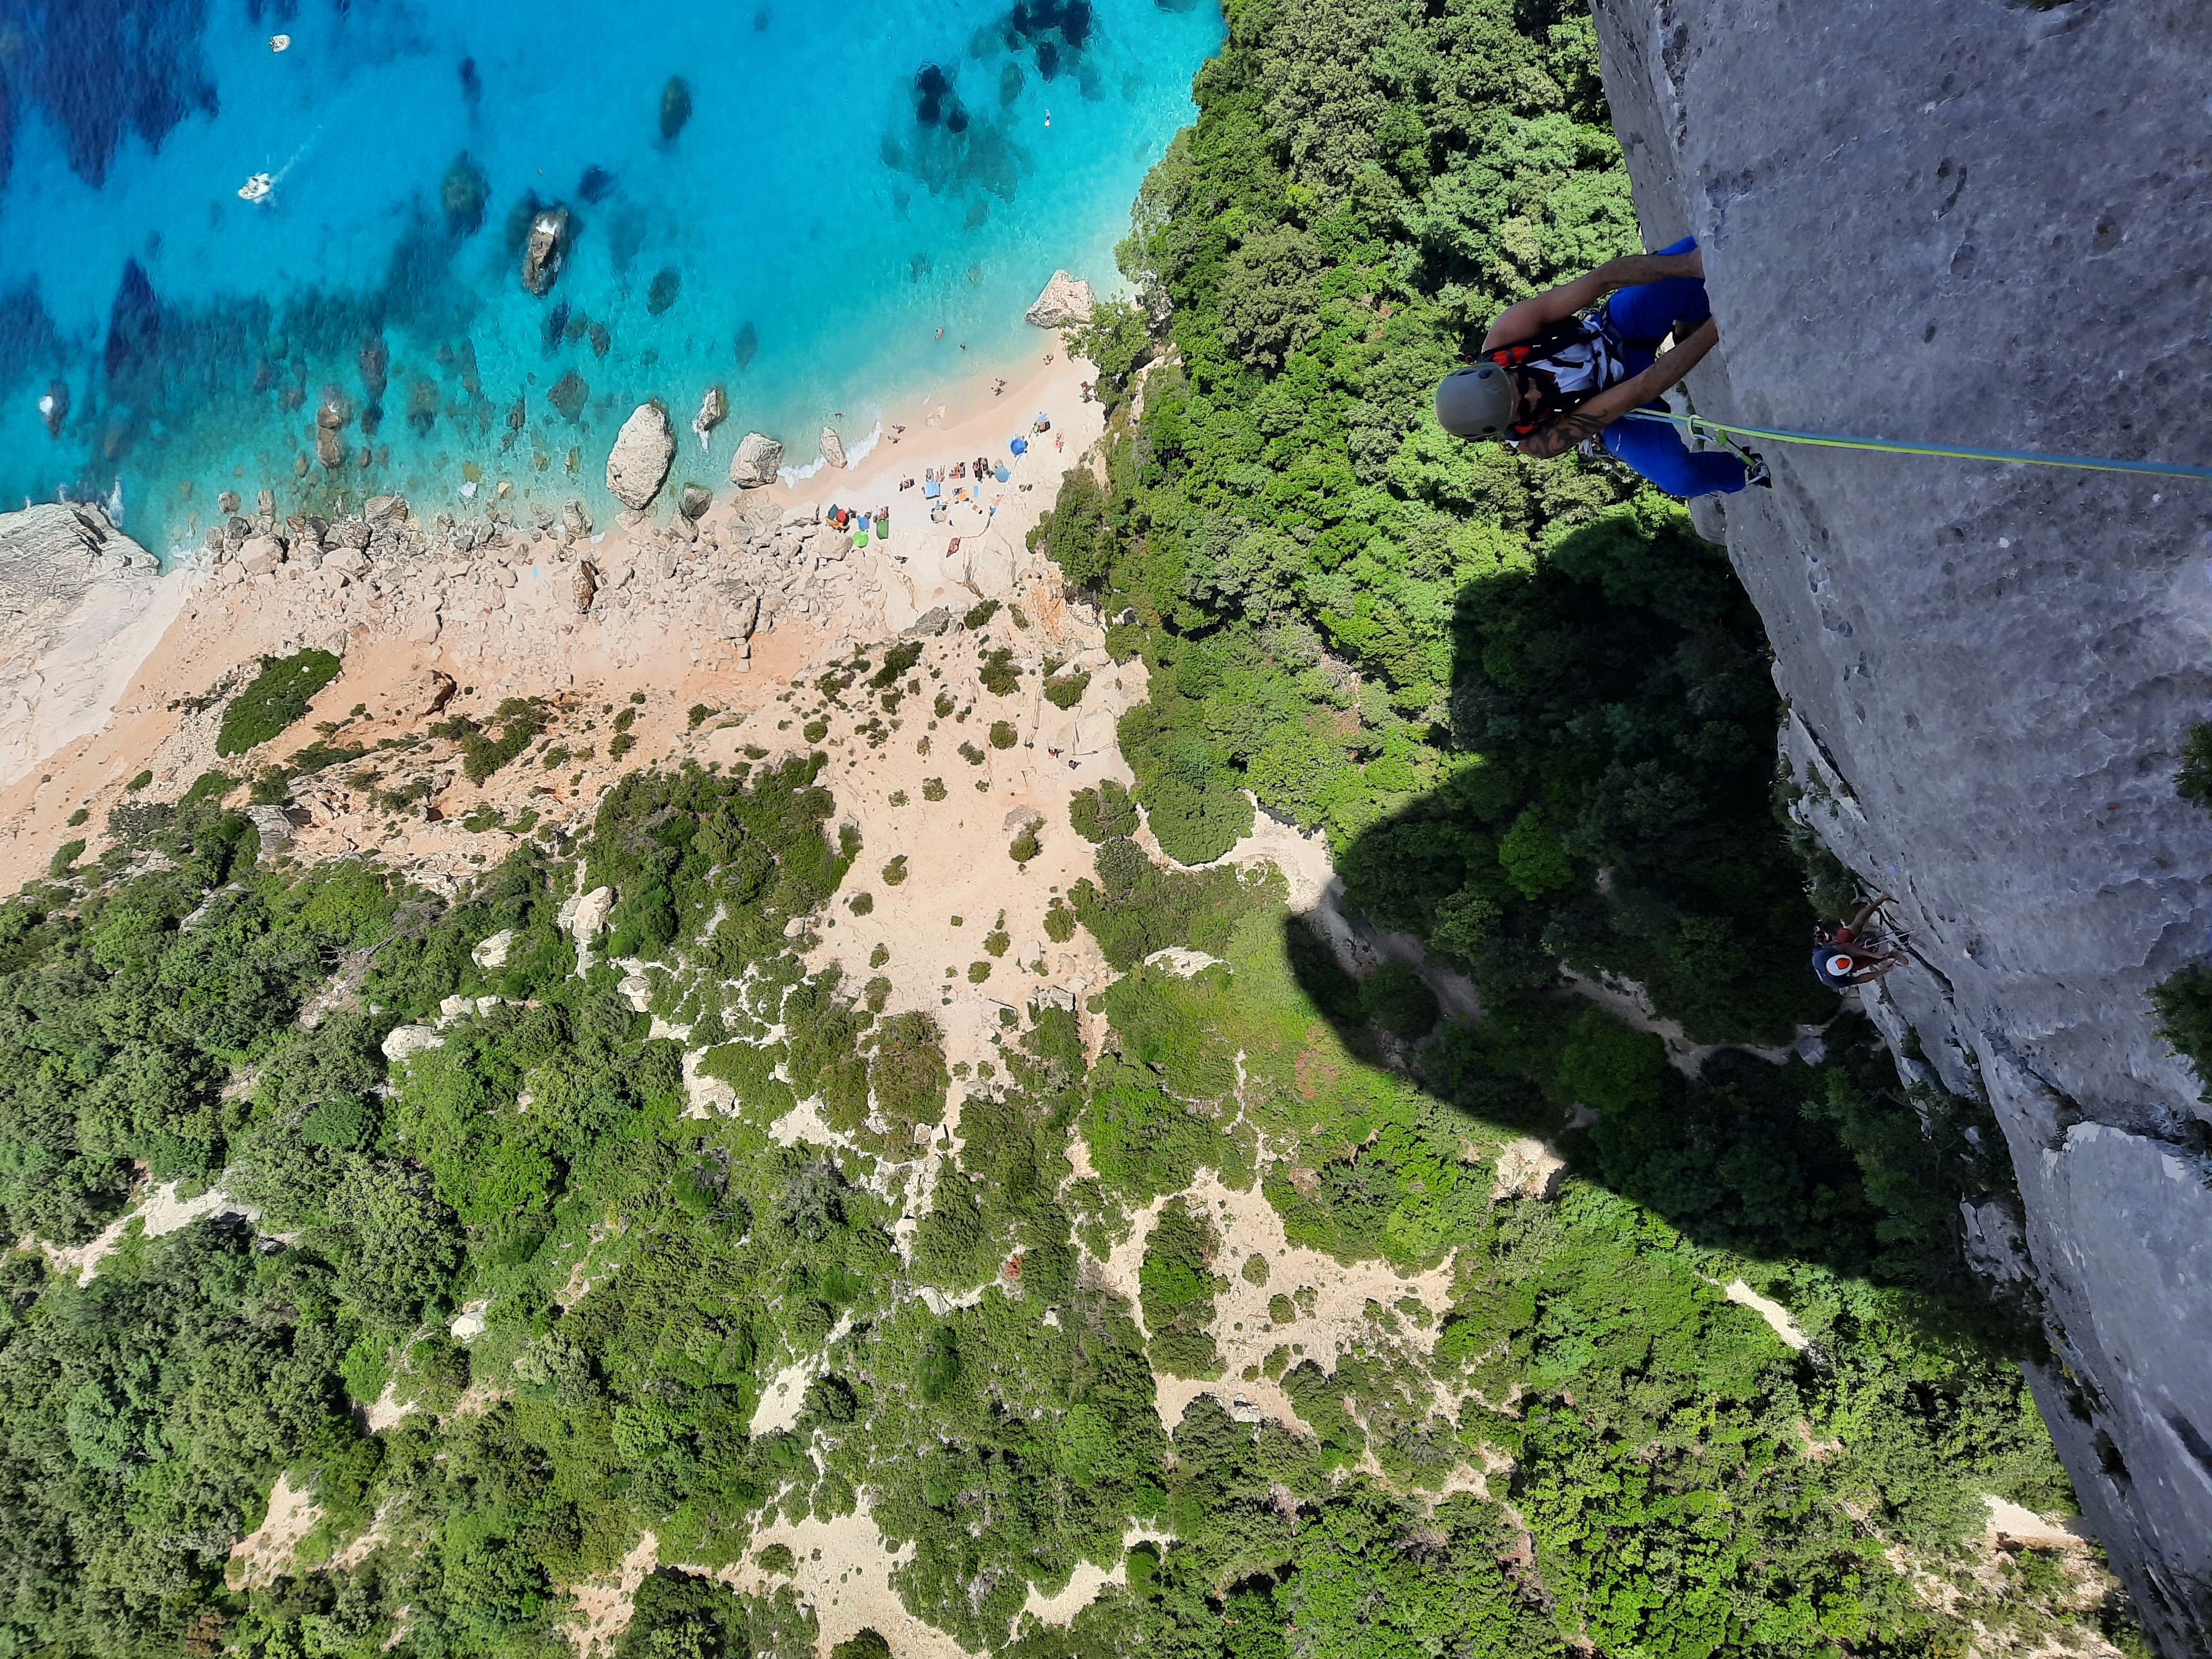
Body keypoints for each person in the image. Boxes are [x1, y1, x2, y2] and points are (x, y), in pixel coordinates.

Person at [1433, 236, 1767, 498]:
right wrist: (1720, 325)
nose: (1533, 392)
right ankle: (1745, 470)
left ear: (1496, 369)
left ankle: (1689, 320)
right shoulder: (1541, 441)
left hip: (1610, 334)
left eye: (1519, 384)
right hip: (1617, 406)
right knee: (1679, 478)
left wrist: (1693, 264)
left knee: (1693, 257)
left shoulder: (1510, 334)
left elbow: (1602, 279)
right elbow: (1642, 389)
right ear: (1507, 428)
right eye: (1524, 407)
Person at [1812, 894, 1909, 990]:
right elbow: (1860, 979)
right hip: (1839, 959)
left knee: (1856, 927)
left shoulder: (1822, 956)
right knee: (1865, 962)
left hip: (1836, 948)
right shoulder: (1836, 982)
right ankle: (1893, 955)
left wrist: (1873, 954)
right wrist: (1882, 971)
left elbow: (1846, 947)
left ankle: (1880, 900)